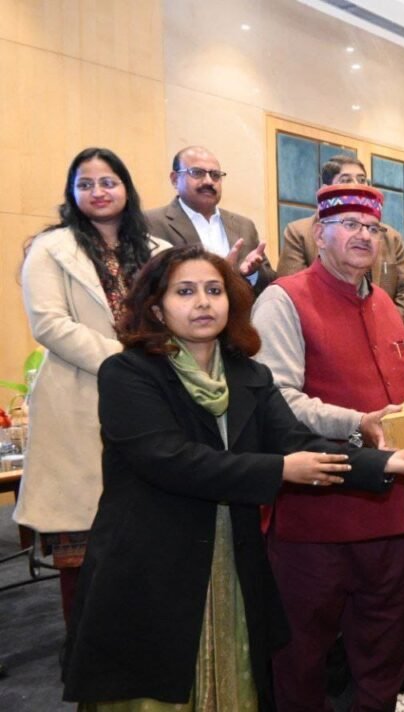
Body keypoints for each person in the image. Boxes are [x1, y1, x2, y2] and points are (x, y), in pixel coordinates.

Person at [62, 245, 404, 710]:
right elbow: (170, 459)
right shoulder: (128, 372)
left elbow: (296, 442)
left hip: (230, 559)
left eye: (214, 290)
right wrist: (280, 469)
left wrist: (381, 463)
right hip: (152, 560)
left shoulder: (248, 375)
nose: (203, 302)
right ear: (157, 309)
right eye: (185, 292)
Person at [251, 182, 404, 711]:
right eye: (349, 224)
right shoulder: (284, 299)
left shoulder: (384, 303)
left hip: (390, 512)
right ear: (319, 232)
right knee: (301, 656)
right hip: (317, 514)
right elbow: (277, 399)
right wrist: (358, 423)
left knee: (384, 652)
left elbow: (392, 385)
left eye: (372, 228)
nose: (363, 236)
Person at [14, 147, 170, 625]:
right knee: (85, 552)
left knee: (154, 543)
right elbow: (49, 324)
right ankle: (86, 652)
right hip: (78, 401)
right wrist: (127, 363)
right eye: (86, 184)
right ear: (72, 192)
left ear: (126, 188)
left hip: (155, 402)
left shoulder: (159, 250)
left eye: (108, 182)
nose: (98, 192)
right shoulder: (50, 249)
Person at [276, 156, 404, 326]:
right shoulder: (300, 233)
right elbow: (296, 296)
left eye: (362, 180)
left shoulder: (389, 237)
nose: (356, 185)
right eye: (346, 180)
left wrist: (387, 329)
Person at [145, 145, 275, 294]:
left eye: (215, 175)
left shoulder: (244, 226)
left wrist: (252, 274)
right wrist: (219, 274)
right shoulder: (151, 223)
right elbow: (145, 285)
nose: (208, 181)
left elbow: (271, 283)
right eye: (197, 173)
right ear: (175, 179)